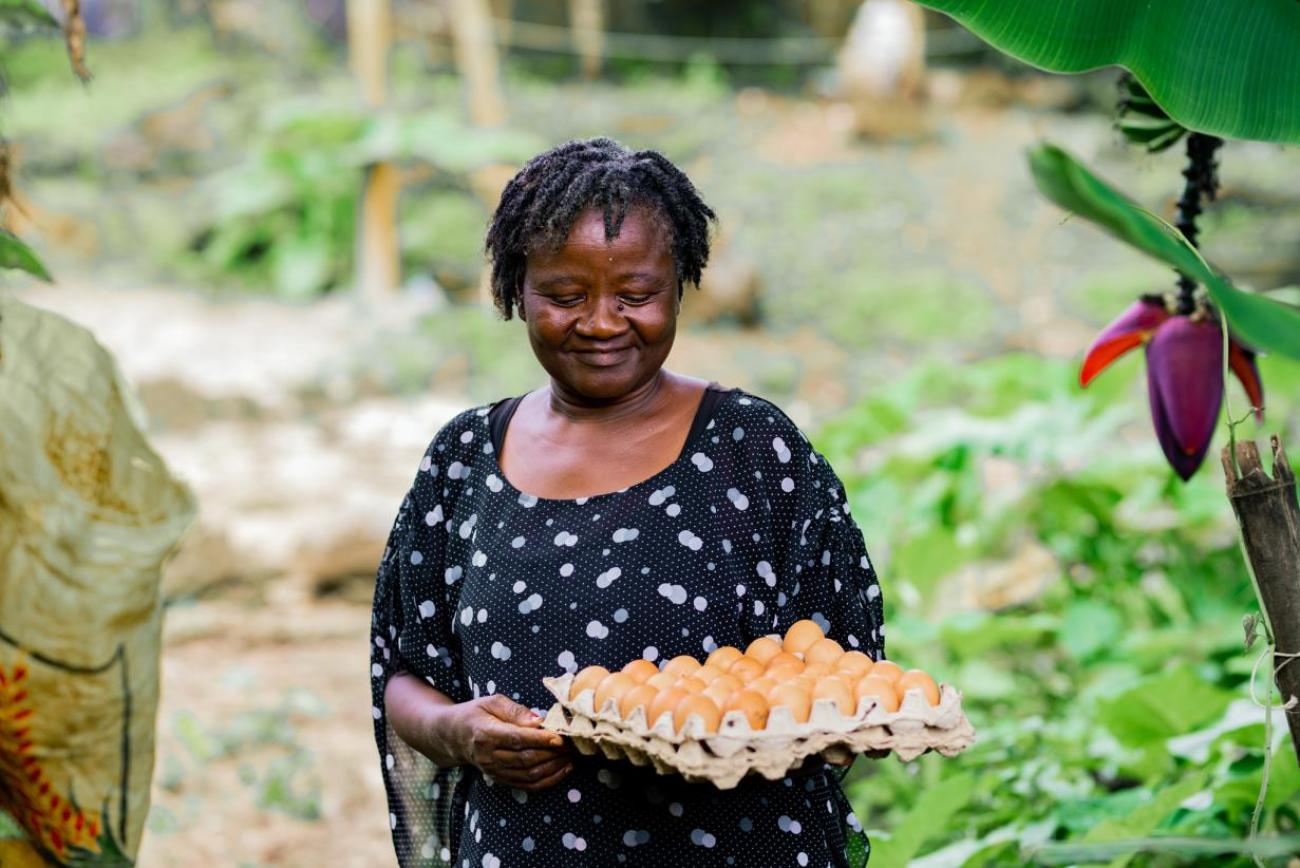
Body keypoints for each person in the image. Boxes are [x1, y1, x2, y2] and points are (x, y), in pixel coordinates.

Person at [369, 137, 887, 867]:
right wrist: (458, 730)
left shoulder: (756, 453)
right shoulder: (463, 464)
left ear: (681, 286)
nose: (603, 322)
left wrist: (734, 736)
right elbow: (404, 674)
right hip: (528, 847)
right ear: (517, 291)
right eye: (565, 296)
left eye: (636, 295)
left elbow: (846, 674)